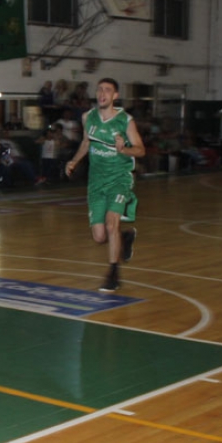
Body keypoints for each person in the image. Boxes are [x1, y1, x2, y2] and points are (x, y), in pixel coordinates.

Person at [65, 78, 145, 293]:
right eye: (99, 89)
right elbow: (86, 142)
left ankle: (113, 274)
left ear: (115, 96)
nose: (102, 93)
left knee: (111, 225)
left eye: (107, 90)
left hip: (119, 179)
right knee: (99, 236)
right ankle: (126, 236)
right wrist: (74, 160)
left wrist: (124, 150)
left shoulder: (125, 121)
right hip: (96, 181)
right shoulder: (87, 117)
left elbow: (140, 149)